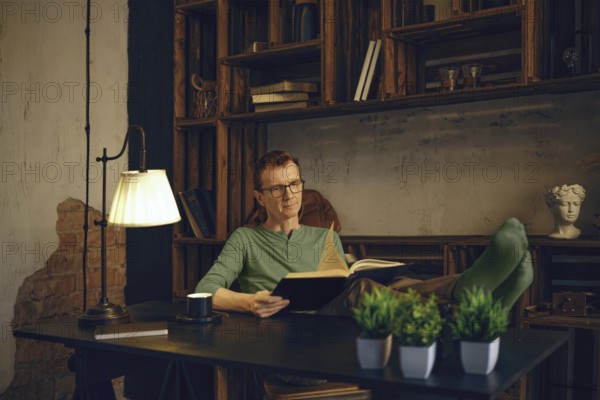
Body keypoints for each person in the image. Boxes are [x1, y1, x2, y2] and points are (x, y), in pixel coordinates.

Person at [196, 150, 534, 317]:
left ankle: (469, 287)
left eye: (295, 183)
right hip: (291, 326)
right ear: (259, 197)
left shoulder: (323, 236)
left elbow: (338, 281)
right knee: (361, 292)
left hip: (335, 318)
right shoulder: (245, 238)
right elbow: (205, 291)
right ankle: (478, 302)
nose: (290, 195)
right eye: (278, 188)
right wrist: (250, 301)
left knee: (396, 284)